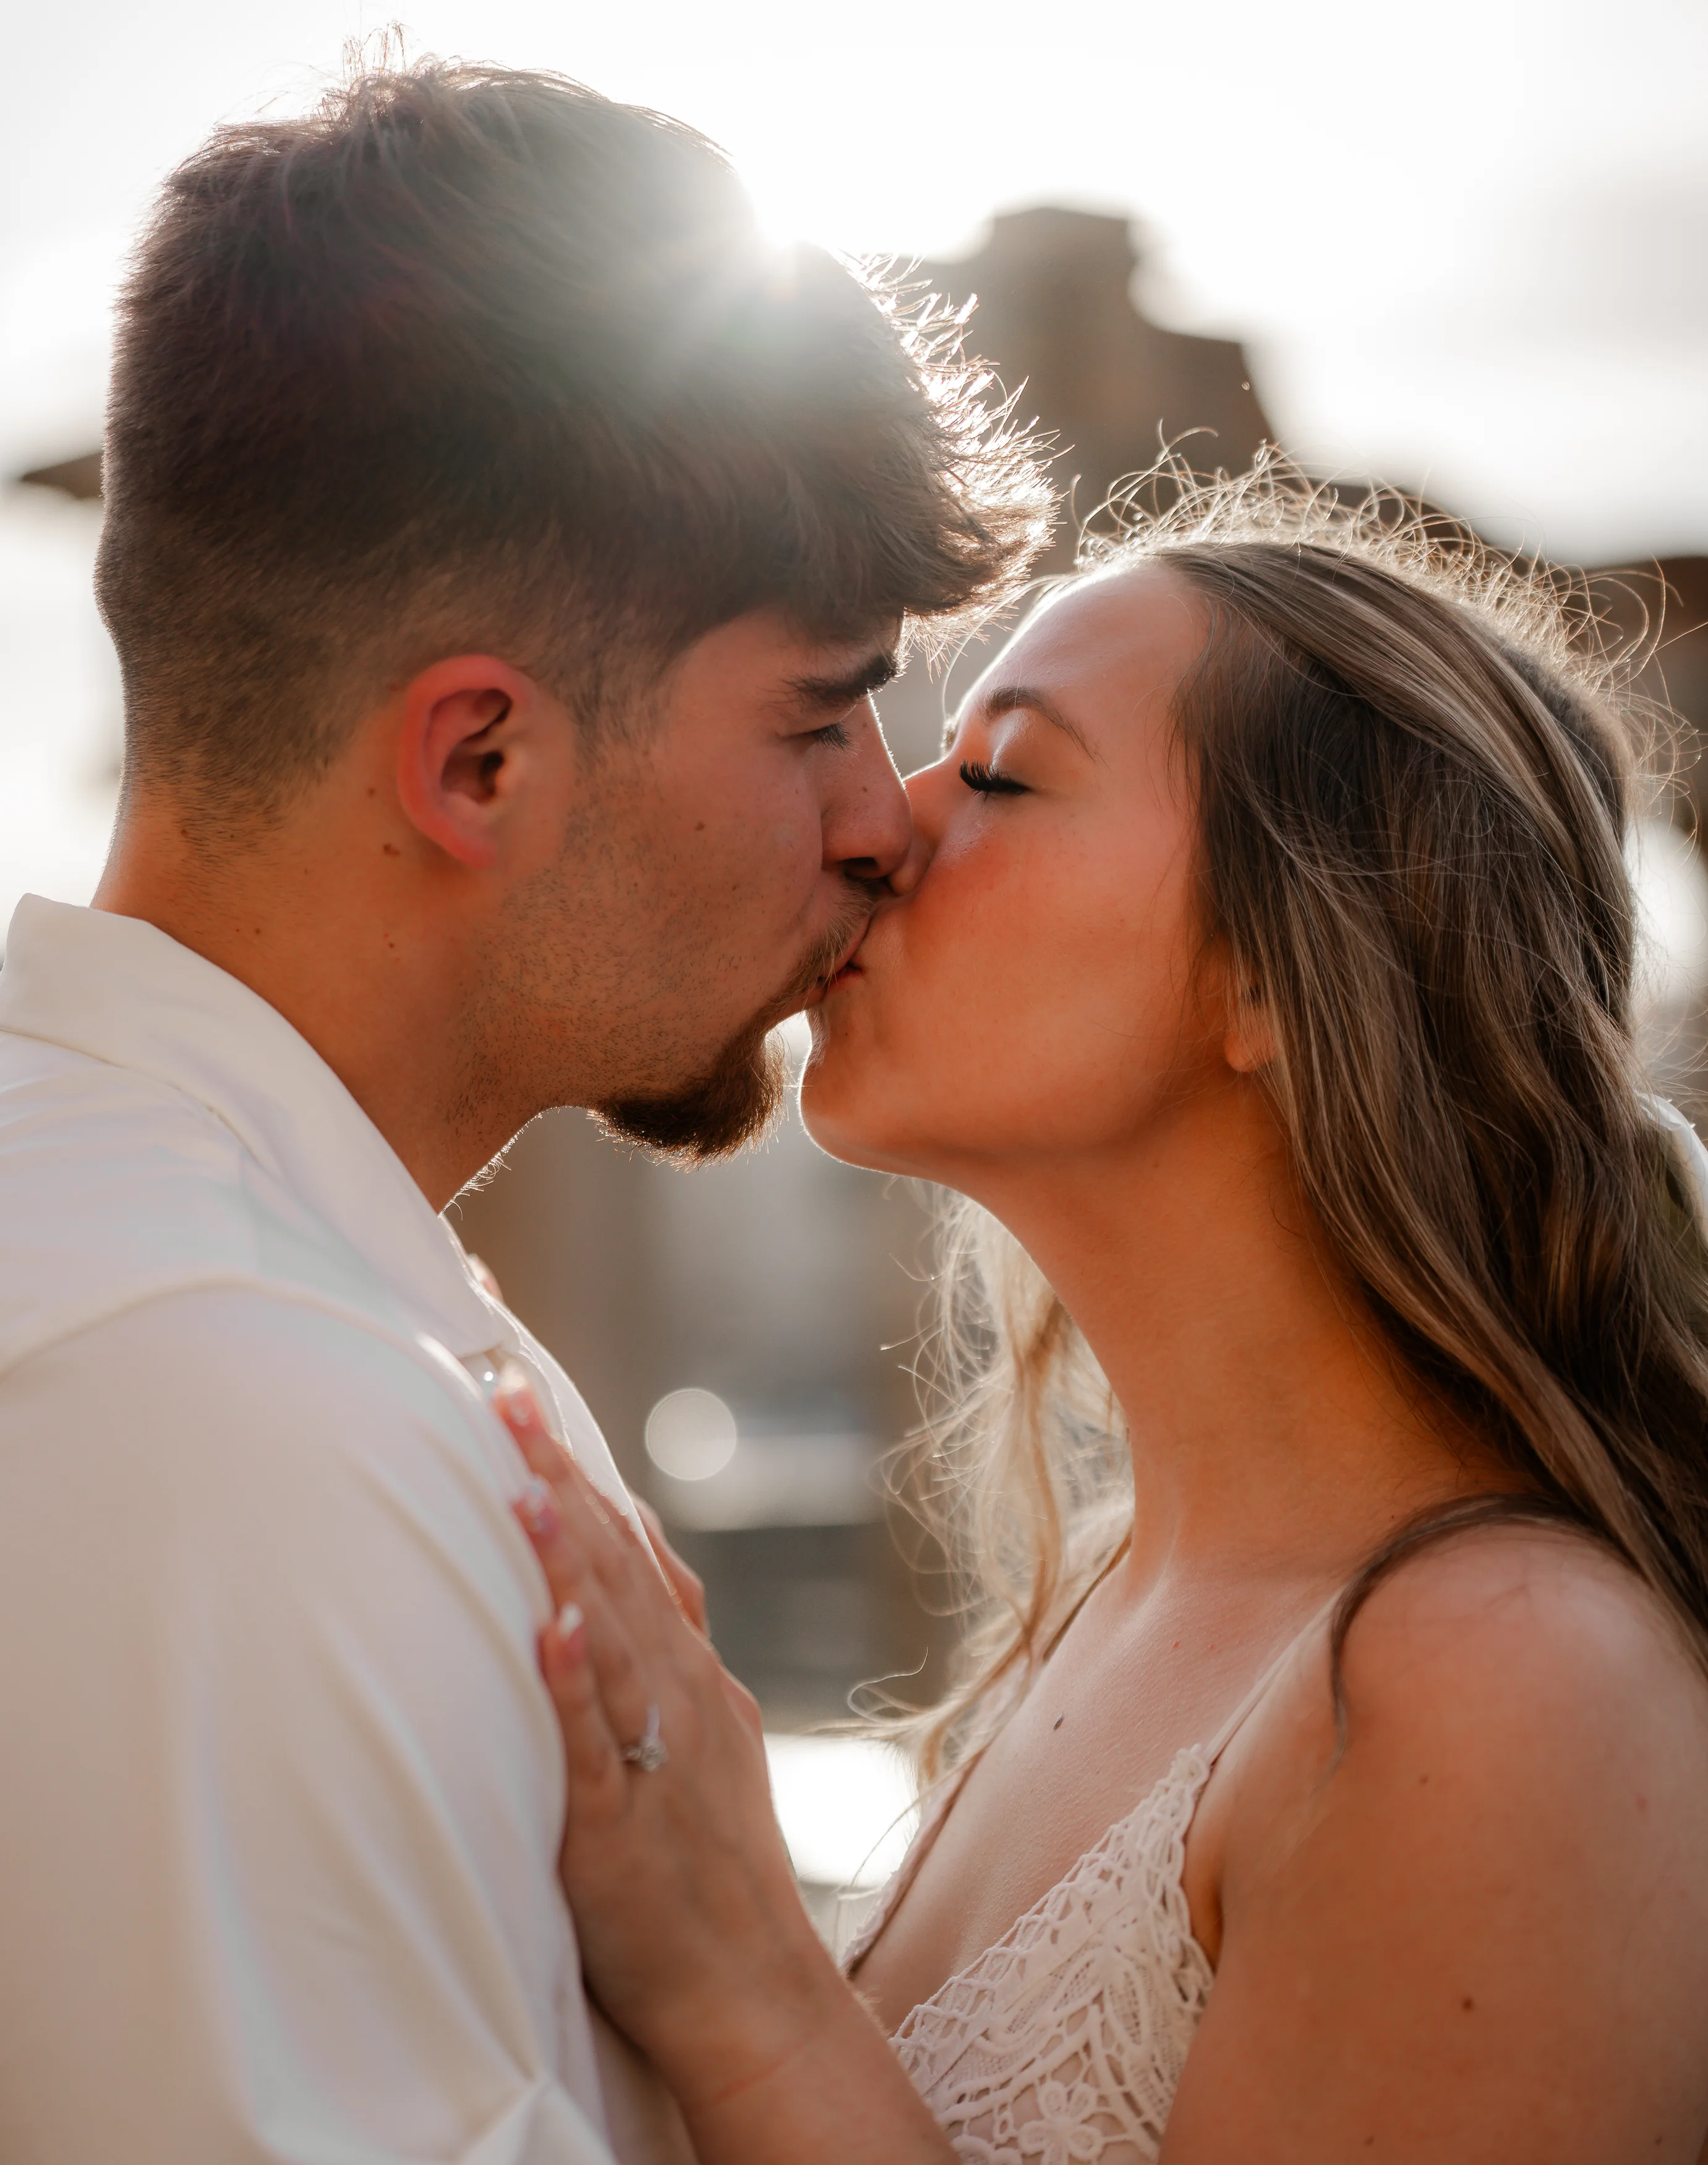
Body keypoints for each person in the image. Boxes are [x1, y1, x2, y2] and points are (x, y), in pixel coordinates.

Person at [0, 58, 1048, 2165]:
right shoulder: (237, 1414)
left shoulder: (223, 1296)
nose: (883, 822)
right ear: (477, 761)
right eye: (818, 710)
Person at [502, 474, 1708, 2163]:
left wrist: (744, 1974)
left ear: (1279, 971)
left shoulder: (1506, 1683)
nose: (879, 826)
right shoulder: (1114, 1607)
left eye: (1001, 771)